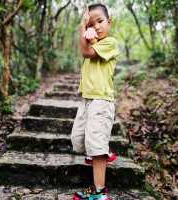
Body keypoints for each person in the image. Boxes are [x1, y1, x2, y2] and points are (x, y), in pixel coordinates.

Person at [71, 3, 119, 200]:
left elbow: (86, 53)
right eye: (92, 24)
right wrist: (86, 35)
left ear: (109, 22)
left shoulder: (110, 43)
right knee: (78, 141)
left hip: (101, 101)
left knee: (96, 148)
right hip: (87, 101)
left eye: (99, 21)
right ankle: (103, 149)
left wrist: (82, 28)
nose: (96, 27)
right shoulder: (92, 43)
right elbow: (86, 51)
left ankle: (100, 192)